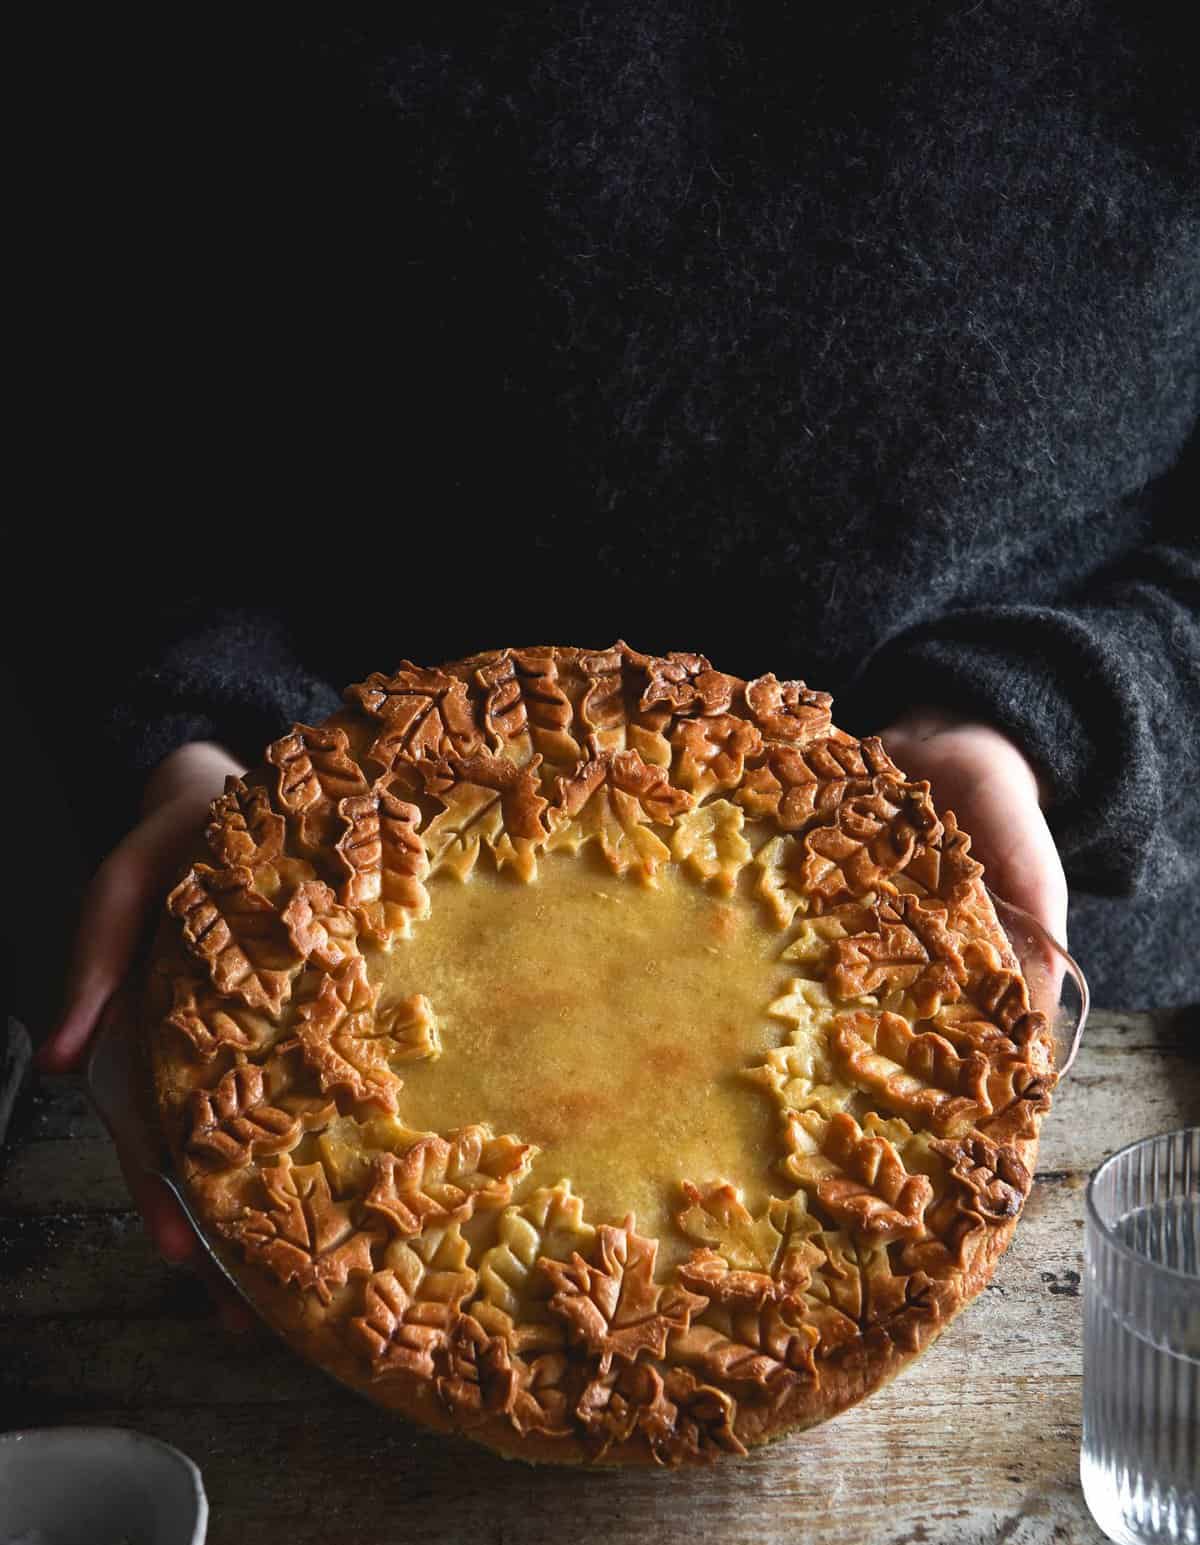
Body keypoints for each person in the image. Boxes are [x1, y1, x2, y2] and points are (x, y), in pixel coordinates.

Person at [25, 10, 1200, 1320]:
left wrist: (1047, 716)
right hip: (281, 1006)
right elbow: (83, 392)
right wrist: (190, 728)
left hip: (1084, 1113)